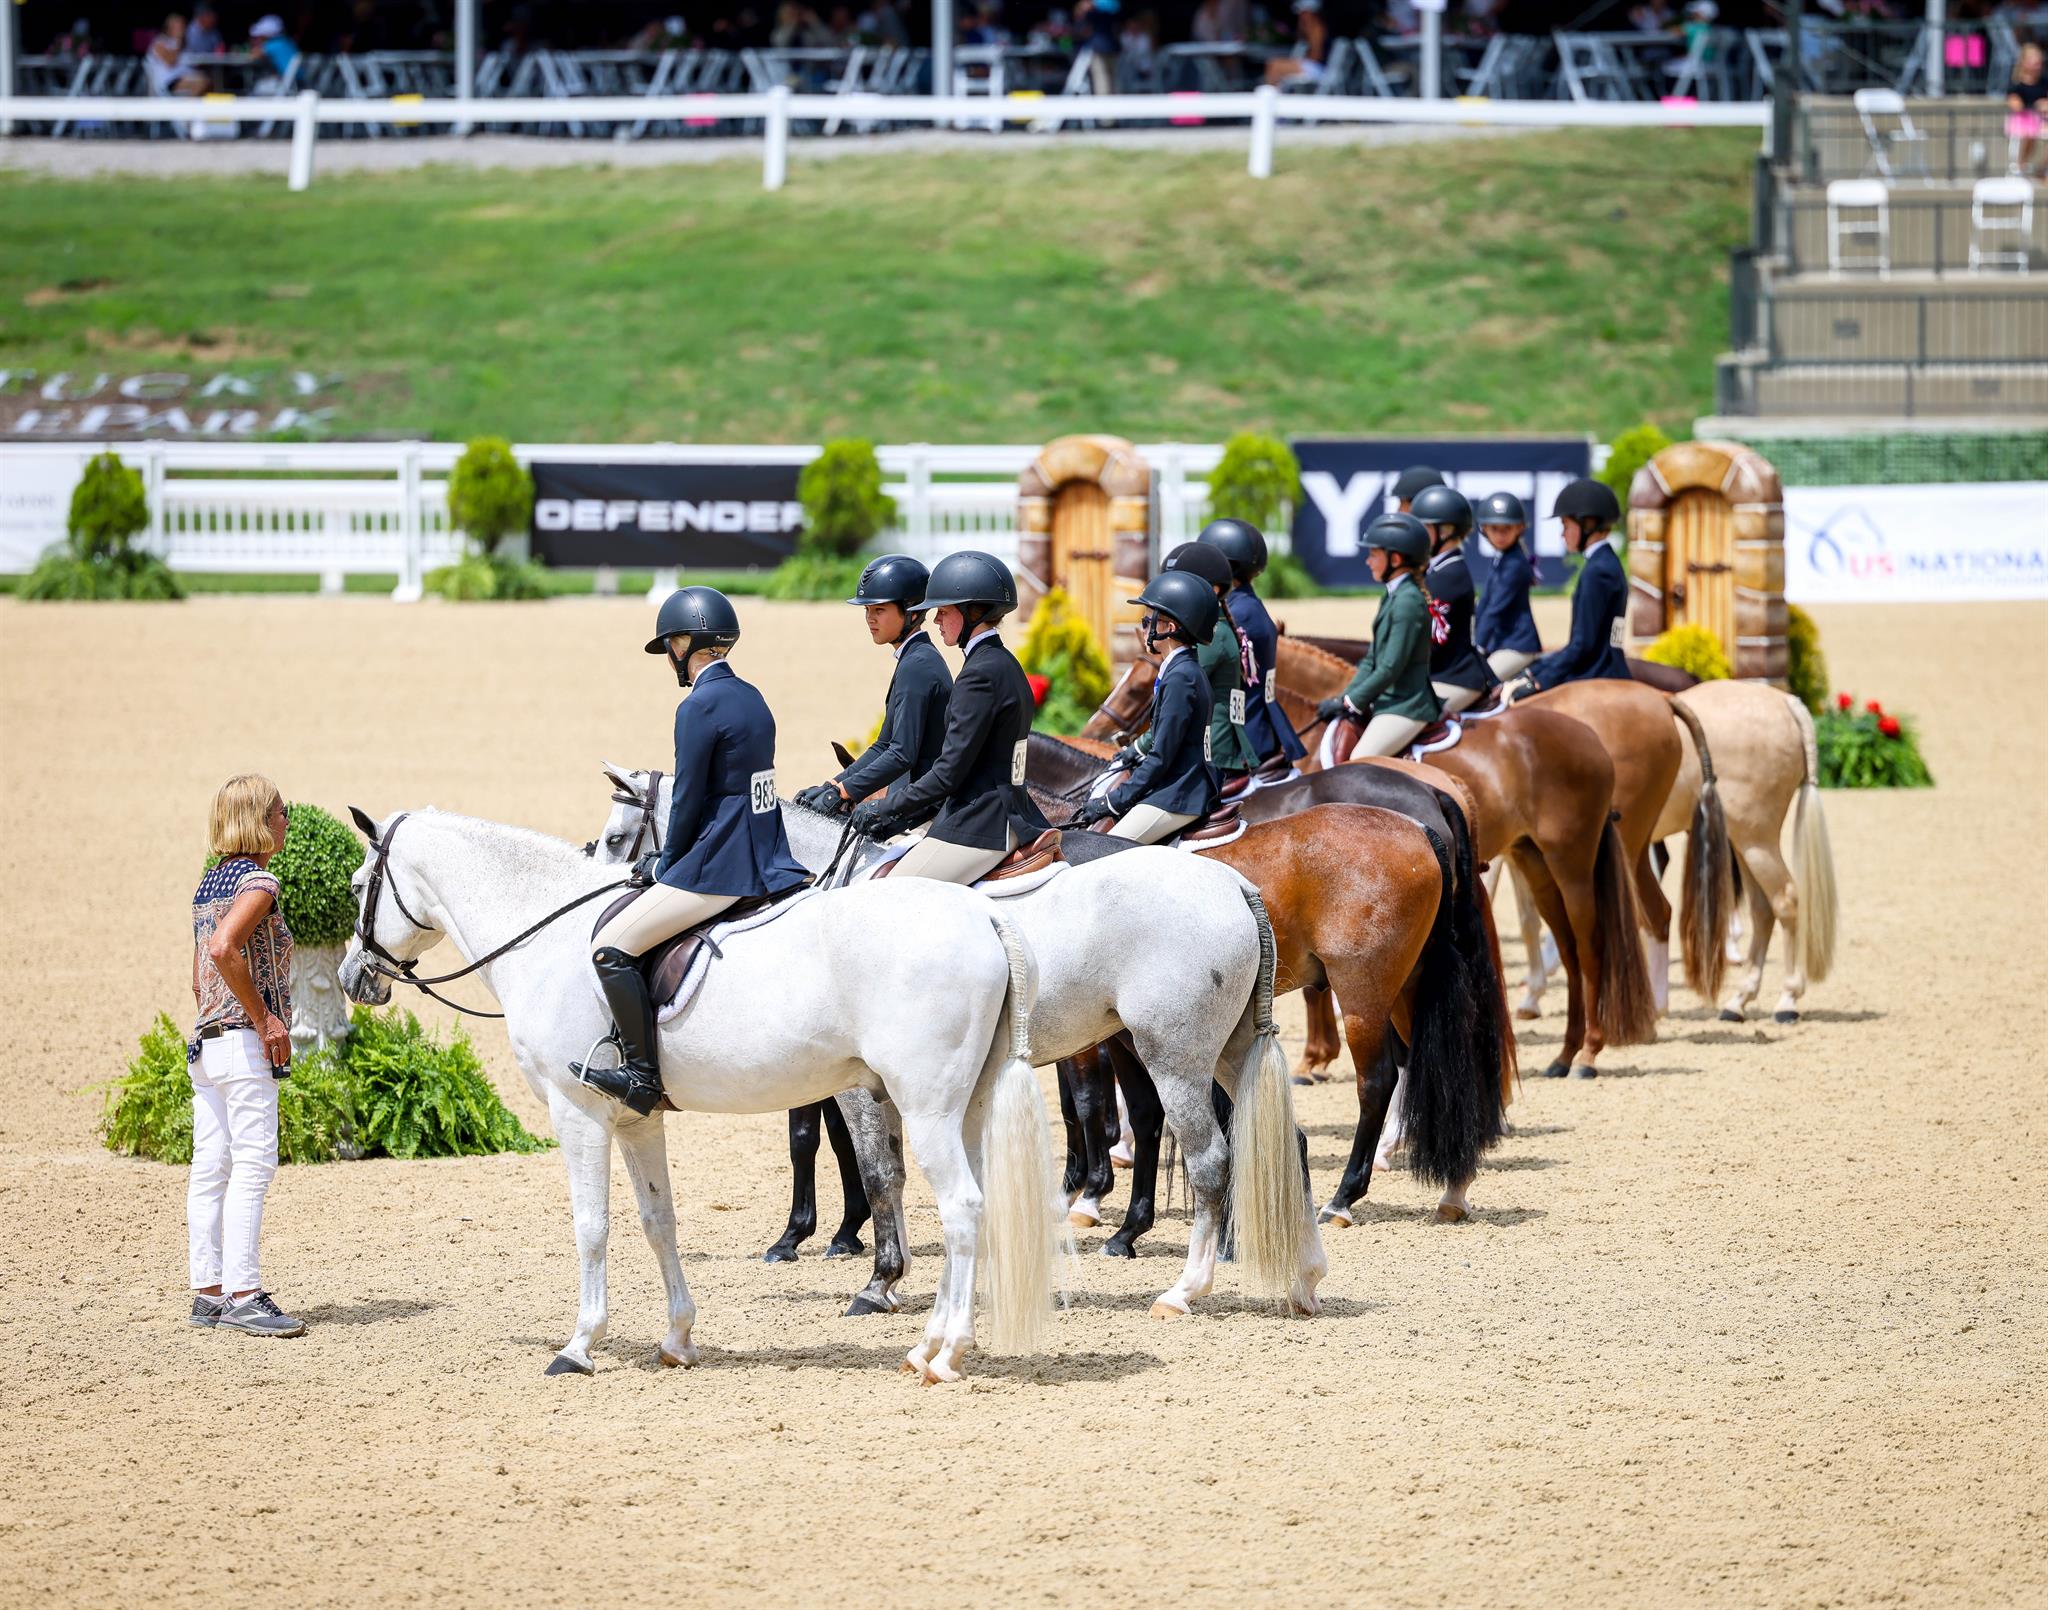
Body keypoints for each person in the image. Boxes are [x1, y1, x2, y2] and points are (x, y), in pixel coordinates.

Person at [573, 587, 809, 1116]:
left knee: (611, 946)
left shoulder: (697, 705)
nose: (670, 660)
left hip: (721, 867)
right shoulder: (754, 697)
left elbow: (687, 799)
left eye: (671, 646)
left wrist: (665, 863)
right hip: (770, 856)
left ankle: (640, 1075)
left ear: (685, 643)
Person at [848, 550, 1051, 883]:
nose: (937, 620)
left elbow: (947, 774)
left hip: (981, 822)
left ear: (972, 612)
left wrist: (884, 807)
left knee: (887, 893)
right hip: (1013, 811)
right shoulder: (1005, 663)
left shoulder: (978, 675)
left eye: (943, 612)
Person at [188, 775, 303, 1338]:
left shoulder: (209, 883)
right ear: (259, 818)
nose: (287, 819)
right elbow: (222, 948)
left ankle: (208, 1292)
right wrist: (265, 1019)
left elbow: (198, 975)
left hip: (205, 1043)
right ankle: (244, 1293)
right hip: (241, 1041)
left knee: (211, 1168)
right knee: (253, 1165)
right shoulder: (258, 881)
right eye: (281, 810)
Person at [793, 554, 952, 818]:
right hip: (913, 801)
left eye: (879, 610)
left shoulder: (918, 666)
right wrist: (833, 784)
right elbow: (883, 745)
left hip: (928, 810)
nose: (869, 618)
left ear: (911, 612)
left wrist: (845, 793)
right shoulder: (914, 658)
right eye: (867, 610)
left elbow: (902, 755)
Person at [1074, 569, 1222, 843]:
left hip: (1180, 792)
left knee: (1102, 850)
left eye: (1147, 621)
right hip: (1180, 784)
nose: (1143, 629)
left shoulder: (1180, 678)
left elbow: (1161, 757)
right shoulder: (1181, 669)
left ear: (1169, 627)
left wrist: (1114, 802)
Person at [1314, 513, 1443, 757]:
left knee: (1359, 759)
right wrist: (1345, 697)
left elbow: (1389, 667)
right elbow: (1372, 660)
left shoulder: (1408, 601)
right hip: (1389, 699)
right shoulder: (1392, 594)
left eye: (1374, 554)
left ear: (1395, 558)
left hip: (1407, 704)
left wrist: (1352, 702)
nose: (1368, 561)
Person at [1142, 541, 1258, 785]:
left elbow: (1175, 703)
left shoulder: (1212, 639)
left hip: (1215, 752)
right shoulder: (1217, 629)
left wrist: (1138, 747)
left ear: (1213, 590)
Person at [1199, 517, 1306, 777]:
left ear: (1224, 566)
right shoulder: (1246, 605)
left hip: (1241, 735)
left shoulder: (1237, 613)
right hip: (1257, 724)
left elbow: (1201, 670)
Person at [1504, 479, 1630, 700]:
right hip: (1604, 666)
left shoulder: (1597, 571)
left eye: (1566, 525)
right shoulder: (1606, 563)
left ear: (1588, 524)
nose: (1563, 534)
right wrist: (1535, 670)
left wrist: (1541, 680)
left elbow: (1582, 644)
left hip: (1597, 674)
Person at [1411, 484, 1495, 716]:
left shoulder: (1450, 575)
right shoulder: (1435, 571)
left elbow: (1431, 641)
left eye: (1423, 527)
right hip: (1440, 672)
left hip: (1453, 678)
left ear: (1445, 531)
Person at [1471, 489, 1541, 682]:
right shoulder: (1502, 558)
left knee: (1478, 681)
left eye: (1507, 529)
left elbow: (1495, 609)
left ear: (1519, 528)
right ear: (1484, 529)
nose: (1500, 535)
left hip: (1518, 646)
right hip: (1503, 641)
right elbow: (1485, 601)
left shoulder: (1515, 564)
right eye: (1495, 529)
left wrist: (1478, 646)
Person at [1265, 0, 1328, 87]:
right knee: (1274, 64)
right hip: (1311, 65)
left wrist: (1299, 61)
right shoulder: (1309, 28)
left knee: (1275, 65)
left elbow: (1316, 56)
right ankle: (1274, 91)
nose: (1300, 15)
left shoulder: (1317, 29)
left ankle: (1271, 92)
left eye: (1303, 12)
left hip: (1317, 69)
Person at [144, 14, 210, 97]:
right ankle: (188, 109)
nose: (181, 29)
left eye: (182, 26)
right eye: (178, 27)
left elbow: (193, 60)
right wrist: (178, 40)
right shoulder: (159, 42)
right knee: (201, 83)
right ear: (169, 28)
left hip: (186, 75)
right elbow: (170, 61)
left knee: (208, 80)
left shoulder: (185, 43)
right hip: (169, 81)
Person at [2008, 42, 2046, 179]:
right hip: (2023, 121)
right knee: (2030, 134)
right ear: (2023, 62)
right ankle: (2021, 164)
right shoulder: (2016, 85)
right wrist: (2035, 106)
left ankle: (2042, 169)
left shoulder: (2043, 83)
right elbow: (2016, 105)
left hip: (2041, 121)